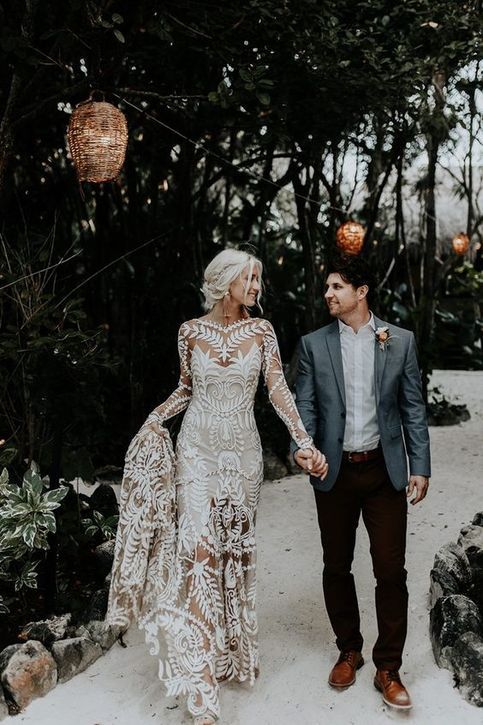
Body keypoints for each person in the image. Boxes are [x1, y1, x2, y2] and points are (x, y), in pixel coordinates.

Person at [107, 248, 327, 725]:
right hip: (198, 454)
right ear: (225, 281)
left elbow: (277, 390)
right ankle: (201, 682)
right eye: (250, 279)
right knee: (199, 554)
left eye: (258, 280)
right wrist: (153, 418)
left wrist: (304, 444)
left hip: (243, 459)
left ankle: (228, 653)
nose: (256, 287)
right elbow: (186, 388)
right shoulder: (189, 332)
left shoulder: (262, 331)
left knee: (234, 555)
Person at [292, 253, 430, 711]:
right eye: (327, 288)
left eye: (336, 287)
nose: (328, 294)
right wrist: (303, 448)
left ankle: (388, 666)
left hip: (383, 472)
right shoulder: (313, 345)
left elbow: (412, 407)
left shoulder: (400, 341)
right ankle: (348, 649)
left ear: (362, 291)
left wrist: (420, 465)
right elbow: (305, 407)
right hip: (334, 471)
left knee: (391, 569)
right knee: (337, 565)